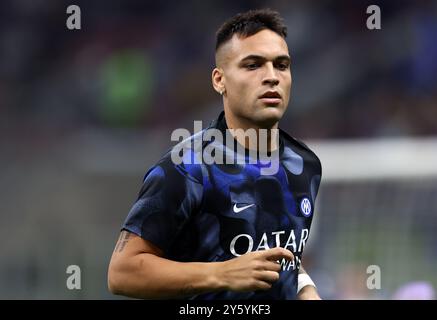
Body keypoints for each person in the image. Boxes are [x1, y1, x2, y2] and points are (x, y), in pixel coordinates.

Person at [108, 8, 322, 300]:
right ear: (219, 80)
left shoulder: (305, 165)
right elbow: (122, 272)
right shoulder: (187, 168)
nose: (271, 77)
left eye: (281, 65)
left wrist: (306, 291)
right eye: (253, 65)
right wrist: (220, 273)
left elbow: (285, 262)